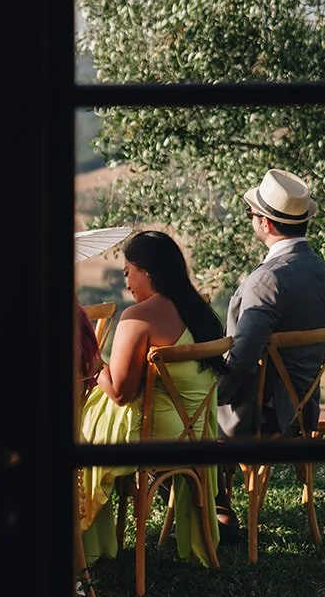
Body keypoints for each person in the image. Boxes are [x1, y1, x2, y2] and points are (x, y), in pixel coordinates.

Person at [77, 229, 226, 568]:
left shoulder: (138, 318)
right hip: (194, 431)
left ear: (145, 270)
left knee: (75, 430)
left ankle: (87, 546)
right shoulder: (198, 311)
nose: (126, 281)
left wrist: (92, 364)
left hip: (152, 434)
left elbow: (119, 393)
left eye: (127, 271)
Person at [215, 167, 325, 540]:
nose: (251, 220)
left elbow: (241, 361)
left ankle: (218, 510)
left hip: (265, 416)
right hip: (305, 409)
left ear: (266, 224)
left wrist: (212, 394)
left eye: (252, 214)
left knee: (191, 410)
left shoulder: (267, 279)